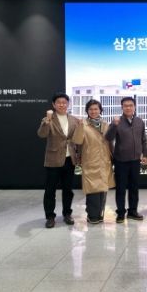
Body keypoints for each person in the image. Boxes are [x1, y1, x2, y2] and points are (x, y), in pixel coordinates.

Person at [36, 92, 80, 228]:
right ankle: (50, 216)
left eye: (64, 102)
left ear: (68, 104)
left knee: (68, 190)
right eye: (59, 102)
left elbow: (77, 139)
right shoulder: (48, 119)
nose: (62, 105)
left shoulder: (74, 119)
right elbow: (41, 134)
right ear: (54, 105)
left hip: (69, 159)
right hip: (53, 159)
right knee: (50, 191)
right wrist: (47, 122)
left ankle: (67, 214)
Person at [105, 96, 147, 223]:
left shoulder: (140, 121)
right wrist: (114, 125)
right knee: (121, 188)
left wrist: (145, 154)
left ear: (134, 107)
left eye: (130, 105)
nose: (128, 108)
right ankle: (120, 213)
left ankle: (133, 211)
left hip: (135, 160)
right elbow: (108, 138)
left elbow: (143, 140)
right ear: (122, 107)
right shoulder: (117, 121)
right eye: (125, 106)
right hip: (121, 161)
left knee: (134, 187)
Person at [72, 99, 115, 224]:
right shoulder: (83, 124)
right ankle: (92, 215)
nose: (93, 111)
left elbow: (110, 142)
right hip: (90, 160)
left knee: (103, 189)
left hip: (104, 160)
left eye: (96, 109)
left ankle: (100, 213)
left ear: (100, 110)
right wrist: (79, 127)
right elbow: (77, 141)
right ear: (87, 111)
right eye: (91, 109)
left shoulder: (105, 124)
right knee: (92, 190)